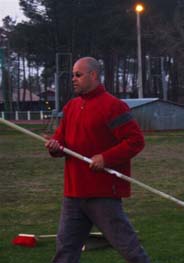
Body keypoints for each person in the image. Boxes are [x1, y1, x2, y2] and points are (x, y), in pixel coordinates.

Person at [45, 57, 150, 263]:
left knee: (129, 248)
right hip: (73, 194)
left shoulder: (114, 106)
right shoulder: (71, 107)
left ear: (93, 75)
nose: (73, 79)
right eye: (73, 75)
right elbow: (61, 139)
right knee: (65, 251)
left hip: (102, 194)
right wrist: (55, 147)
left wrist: (106, 158)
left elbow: (135, 141)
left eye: (78, 74)